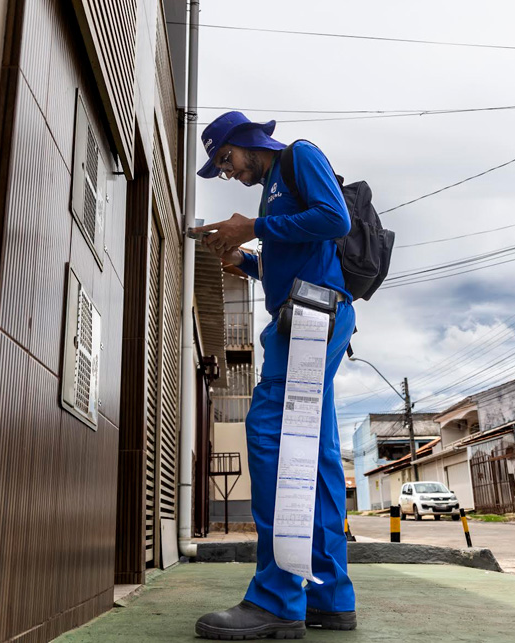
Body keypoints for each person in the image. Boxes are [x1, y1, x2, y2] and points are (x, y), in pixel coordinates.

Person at [191, 111, 357, 640]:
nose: (229, 173)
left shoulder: (298, 157)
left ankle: (277, 599)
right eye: (220, 169)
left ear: (248, 142)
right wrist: (247, 260)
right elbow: (297, 257)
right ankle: (331, 598)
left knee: (273, 439)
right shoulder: (272, 191)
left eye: (226, 160)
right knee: (321, 459)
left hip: (310, 318)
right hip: (308, 313)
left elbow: (336, 220)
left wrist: (255, 227)